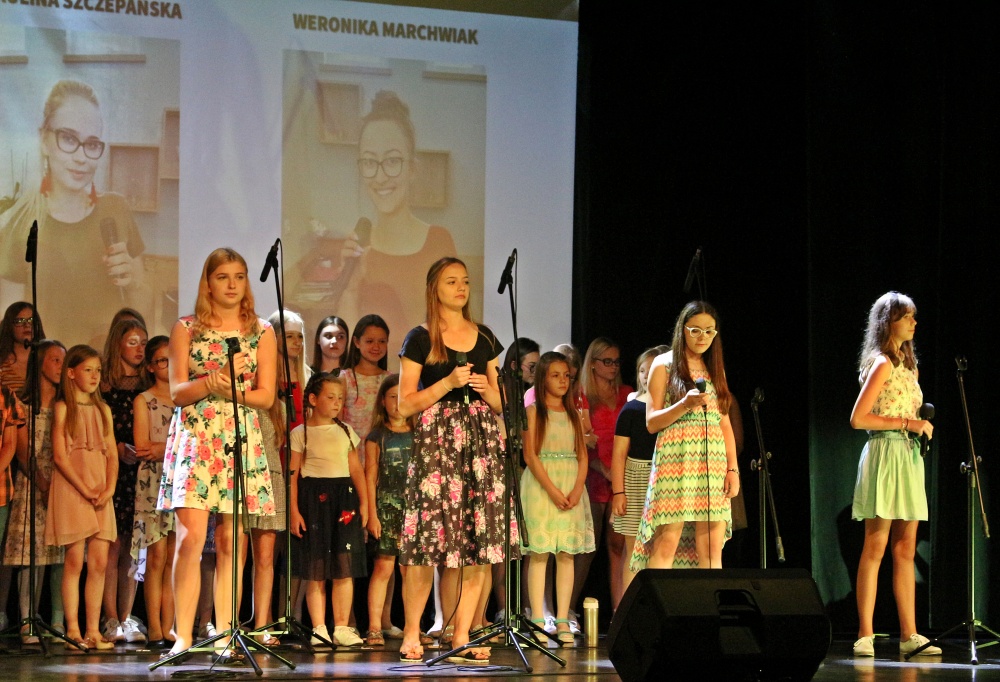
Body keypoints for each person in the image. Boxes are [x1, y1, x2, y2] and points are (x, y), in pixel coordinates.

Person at [157, 247, 277, 661]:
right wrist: (213, 381)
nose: (232, 284)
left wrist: (233, 391)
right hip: (197, 435)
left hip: (239, 436)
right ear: (208, 283)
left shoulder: (262, 331)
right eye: (223, 277)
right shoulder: (186, 328)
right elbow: (177, 391)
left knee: (232, 541)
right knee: (190, 537)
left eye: (239, 277)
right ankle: (183, 634)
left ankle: (226, 632)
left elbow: (266, 395)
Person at [396, 257, 515, 665]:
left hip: (480, 442)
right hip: (438, 442)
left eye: (464, 281)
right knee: (429, 541)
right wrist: (447, 382)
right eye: (451, 282)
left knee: (476, 540)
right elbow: (404, 404)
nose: (461, 288)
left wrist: (486, 390)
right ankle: (412, 630)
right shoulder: (420, 338)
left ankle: (461, 632)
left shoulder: (485, 337)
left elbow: (501, 402)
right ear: (435, 288)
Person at [0, 80, 151, 346]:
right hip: (50, 367)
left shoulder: (116, 210)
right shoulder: (20, 225)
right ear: (44, 140)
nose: (81, 157)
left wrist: (135, 284)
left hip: (109, 366)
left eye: (91, 144)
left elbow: (144, 314)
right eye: (69, 139)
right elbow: (9, 326)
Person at [335, 91, 457, 363]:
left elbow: (454, 332)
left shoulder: (438, 241)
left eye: (392, 161)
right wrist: (350, 287)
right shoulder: (358, 249)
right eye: (370, 162)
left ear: (412, 168)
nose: (380, 176)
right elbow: (347, 348)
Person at [849, 292, 939, 657]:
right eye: (907, 317)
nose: (914, 322)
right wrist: (908, 423)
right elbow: (859, 418)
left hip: (908, 458)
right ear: (889, 323)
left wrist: (917, 428)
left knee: (905, 549)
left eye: (914, 316)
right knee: (875, 546)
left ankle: (909, 634)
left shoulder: (909, 367)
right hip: (885, 453)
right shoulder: (882, 363)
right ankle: (865, 634)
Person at [630, 301, 739, 572]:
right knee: (667, 541)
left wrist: (732, 469)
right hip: (675, 459)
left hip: (712, 461)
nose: (703, 337)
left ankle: (708, 600)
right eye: (696, 330)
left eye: (709, 331)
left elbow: (724, 423)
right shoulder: (663, 364)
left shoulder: (714, 367)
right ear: (683, 330)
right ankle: (660, 600)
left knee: (711, 547)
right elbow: (651, 422)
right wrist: (684, 405)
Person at [46, 344, 118, 650]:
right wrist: (84, 489)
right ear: (71, 373)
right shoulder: (64, 408)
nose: (94, 376)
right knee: (75, 560)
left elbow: (112, 454)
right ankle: (73, 629)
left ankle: (93, 630)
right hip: (74, 489)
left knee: (99, 562)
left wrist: (109, 488)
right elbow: (60, 456)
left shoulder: (103, 410)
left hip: (100, 490)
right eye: (87, 370)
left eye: (97, 370)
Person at [519, 352, 595, 646]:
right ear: (542, 378)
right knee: (539, 553)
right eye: (555, 375)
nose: (563, 381)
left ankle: (563, 618)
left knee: (566, 554)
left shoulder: (574, 413)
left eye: (566, 376)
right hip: (542, 486)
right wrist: (552, 490)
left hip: (570, 483)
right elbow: (530, 455)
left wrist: (577, 489)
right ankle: (538, 619)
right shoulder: (533, 412)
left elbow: (583, 455)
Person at [288, 372, 367, 648]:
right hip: (314, 502)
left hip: (344, 501)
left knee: (344, 566)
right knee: (316, 568)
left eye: (340, 398)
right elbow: (292, 475)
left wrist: (365, 504)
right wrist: (294, 511)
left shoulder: (346, 431)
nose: (336, 403)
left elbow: (356, 470)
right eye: (330, 397)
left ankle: (342, 627)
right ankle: (319, 627)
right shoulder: (300, 433)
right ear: (313, 399)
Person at [4, 340, 66, 643]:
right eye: (55, 360)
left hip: (63, 485)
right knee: (30, 552)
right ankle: (27, 619)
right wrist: (42, 483)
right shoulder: (24, 405)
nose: (61, 367)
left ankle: (58, 620)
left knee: (59, 554)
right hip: (33, 485)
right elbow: (22, 452)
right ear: (40, 364)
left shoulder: (65, 406)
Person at [100, 317, 149, 644]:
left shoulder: (148, 385)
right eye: (133, 342)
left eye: (143, 343)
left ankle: (127, 615)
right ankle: (109, 618)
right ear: (117, 343)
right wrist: (116, 447)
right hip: (113, 473)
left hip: (141, 474)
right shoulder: (105, 386)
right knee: (112, 546)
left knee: (135, 548)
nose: (140, 349)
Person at [576, 338, 632, 611]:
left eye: (616, 361)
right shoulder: (583, 395)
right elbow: (581, 440)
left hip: (621, 476)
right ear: (593, 364)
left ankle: (620, 611)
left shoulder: (627, 393)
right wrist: (602, 469)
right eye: (607, 361)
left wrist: (617, 473)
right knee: (587, 548)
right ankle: (568, 609)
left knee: (618, 546)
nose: (613, 367)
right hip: (593, 475)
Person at [130, 335, 176, 647]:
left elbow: (193, 445)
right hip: (154, 483)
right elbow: (143, 447)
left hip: (179, 480)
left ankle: (170, 626)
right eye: (162, 361)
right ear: (150, 366)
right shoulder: (144, 400)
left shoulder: (185, 400)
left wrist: (164, 449)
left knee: (175, 558)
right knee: (157, 556)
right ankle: (155, 627)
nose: (169, 366)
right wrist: (168, 448)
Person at [364, 374, 412, 646]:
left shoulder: (419, 432)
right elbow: (370, 477)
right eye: (393, 397)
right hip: (386, 507)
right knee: (384, 566)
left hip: (414, 509)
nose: (398, 402)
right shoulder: (377, 436)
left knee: (409, 570)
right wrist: (372, 514)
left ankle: (410, 626)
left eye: (403, 397)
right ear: (383, 401)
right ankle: (374, 626)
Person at [340, 314, 390, 444]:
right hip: (351, 450)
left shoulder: (389, 379)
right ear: (357, 342)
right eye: (369, 341)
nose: (376, 347)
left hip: (381, 449)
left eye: (382, 341)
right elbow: (336, 422)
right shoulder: (345, 378)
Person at [0, 302, 46, 395]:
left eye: (31, 320)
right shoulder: (2, 362)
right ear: (9, 326)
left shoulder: (47, 359)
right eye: (20, 321)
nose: (27, 325)